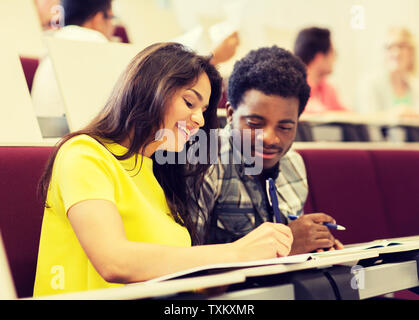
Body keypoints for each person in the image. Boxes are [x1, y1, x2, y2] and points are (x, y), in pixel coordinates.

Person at [33, 42, 293, 297]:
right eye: (190, 103)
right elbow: (114, 262)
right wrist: (238, 252)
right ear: (144, 88)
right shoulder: (84, 154)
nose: (200, 120)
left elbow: (171, 276)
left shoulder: (159, 172)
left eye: (203, 110)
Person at [191, 46, 344, 255]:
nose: (270, 138)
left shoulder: (294, 164)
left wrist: (313, 247)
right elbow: (186, 265)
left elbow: (292, 253)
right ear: (230, 114)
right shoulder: (204, 162)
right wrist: (286, 246)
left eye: (285, 127)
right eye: (255, 123)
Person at [31, 0, 116, 118]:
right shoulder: (96, 42)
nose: (113, 27)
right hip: (77, 133)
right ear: (98, 18)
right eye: (111, 18)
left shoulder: (54, 44)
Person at [357, 27, 419, 119]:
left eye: (401, 46)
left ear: (411, 52)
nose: (396, 52)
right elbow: (366, 119)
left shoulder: (416, 85)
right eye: (390, 47)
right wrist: (397, 114)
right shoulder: (370, 84)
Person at [294, 27, 349, 114]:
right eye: (332, 53)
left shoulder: (328, 90)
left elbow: (347, 115)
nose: (334, 59)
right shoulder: (291, 89)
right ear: (319, 58)